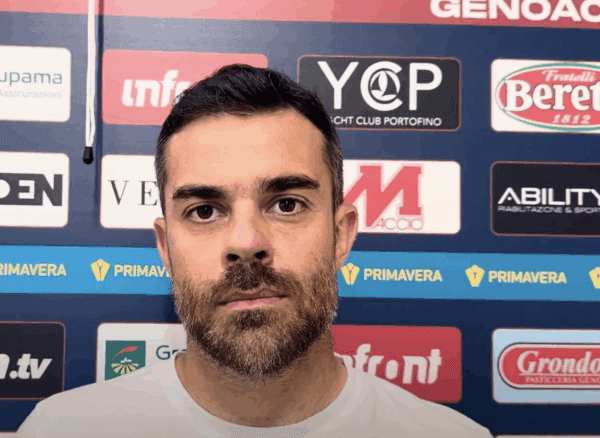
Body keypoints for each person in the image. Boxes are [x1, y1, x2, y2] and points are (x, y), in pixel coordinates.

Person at [17, 64, 492, 438]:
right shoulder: (62, 431)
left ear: (342, 235)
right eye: (205, 211)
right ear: (165, 247)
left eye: (286, 204)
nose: (246, 243)